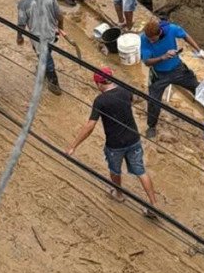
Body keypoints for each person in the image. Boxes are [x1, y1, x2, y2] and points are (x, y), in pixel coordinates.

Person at [67, 68, 158, 215]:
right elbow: (136, 99)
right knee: (141, 171)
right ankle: (154, 205)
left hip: (115, 145)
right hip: (134, 140)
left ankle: (119, 195)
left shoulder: (100, 100)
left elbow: (90, 126)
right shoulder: (125, 91)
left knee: (115, 170)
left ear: (99, 84)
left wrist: (73, 146)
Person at [139, 16, 204, 139]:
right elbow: (147, 62)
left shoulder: (171, 29)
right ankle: (151, 126)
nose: (151, 42)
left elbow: (185, 35)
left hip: (178, 69)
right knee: (153, 101)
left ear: (160, 33)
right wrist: (162, 57)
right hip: (159, 74)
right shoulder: (144, 39)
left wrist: (199, 50)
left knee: (198, 88)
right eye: (149, 39)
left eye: (153, 39)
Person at [15, 0, 67, 96]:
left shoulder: (23, 2)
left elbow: (21, 23)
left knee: (46, 58)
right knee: (46, 53)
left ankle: (54, 83)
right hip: (52, 33)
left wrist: (19, 37)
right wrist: (60, 27)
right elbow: (60, 15)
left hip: (38, 37)